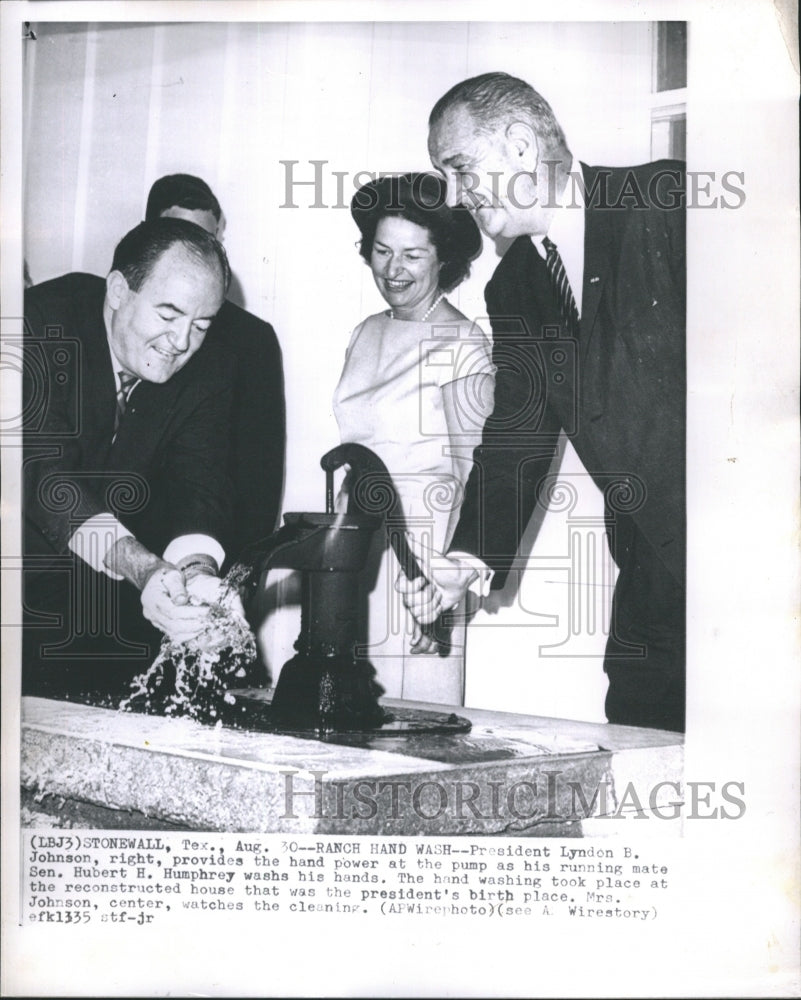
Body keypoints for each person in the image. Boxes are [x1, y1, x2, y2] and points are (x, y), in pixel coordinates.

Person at [400, 72, 686, 732]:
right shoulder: (515, 286)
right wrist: (465, 562)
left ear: (521, 145)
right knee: (641, 754)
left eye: (459, 167)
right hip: (649, 576)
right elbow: (516, 434)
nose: (452, 194)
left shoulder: (665, 203)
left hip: (758, 565)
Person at [23, 218, 241, 702]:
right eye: (168, 315)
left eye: (201, 325)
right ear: (119, 290)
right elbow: (41, 476)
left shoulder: (209, 365)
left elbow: (200, 488)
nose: (181, 342)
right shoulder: (34, 324)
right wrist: (144, 568)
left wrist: (198, 574)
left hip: (94, 602)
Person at [333, 172, 495, 703]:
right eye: (382, 251)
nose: (392, 270)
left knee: (419, 710)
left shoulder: (464, 341)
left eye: (412, 256)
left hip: (425, 551)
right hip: (359, 538)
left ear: (442, 259)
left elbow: (477, 469)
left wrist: (449, 578)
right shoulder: (364, 331)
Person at [145, 174, 285, 561]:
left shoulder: (251, 339)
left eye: (205, 241)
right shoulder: (123, 315)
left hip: (209, 553)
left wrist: (241, 571)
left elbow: (260, 472)